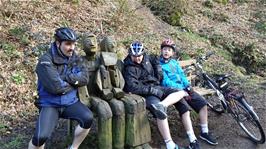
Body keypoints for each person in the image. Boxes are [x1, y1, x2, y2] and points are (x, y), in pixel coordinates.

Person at [28, 27, 93, 149]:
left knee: (87, 118)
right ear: (58, 43)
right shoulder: (45, 61)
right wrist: (74, 81)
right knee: (39, 139)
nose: (72, 48)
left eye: (74, 44)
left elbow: (85, 79)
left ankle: (73, 147)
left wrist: (64, 78)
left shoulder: (75, 58)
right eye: (68, 44)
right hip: (50, 104)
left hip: (70, 102)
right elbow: (56, 88)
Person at [123, 41, 188, 149]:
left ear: (143, 53)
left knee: (180, 92)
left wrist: (158, 68)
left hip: (158, 87)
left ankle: (163, 105)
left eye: (139, 55)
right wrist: (151, 90)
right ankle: (170, 144)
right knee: (160, 112)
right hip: (147, 94)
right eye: (135, 56)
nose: (138, 58)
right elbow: (132, 87)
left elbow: (155, 59)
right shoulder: (128, 68)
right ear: (130, 54)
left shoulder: (147, 58)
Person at [159, 39, 218, 148]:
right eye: (164, 49)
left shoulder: (174, 62)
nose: (166, 52)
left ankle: (204, 132)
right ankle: (192, 138)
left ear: (172, 52)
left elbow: (182, 76)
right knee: (185, 109)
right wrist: (182, 89)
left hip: (184, 89)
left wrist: (187, 86)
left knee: (202, 104)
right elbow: (165, 82)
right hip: (173, 91)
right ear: (161, 51)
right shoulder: (159, 64)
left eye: (169, 50)